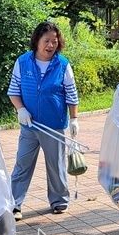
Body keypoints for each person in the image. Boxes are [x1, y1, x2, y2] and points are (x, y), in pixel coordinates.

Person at [7, 21, 79, 222]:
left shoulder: (62, 64)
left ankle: (59, 201)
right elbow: (14, 91)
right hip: (29, 125)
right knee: (22, 163)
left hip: (53, 125)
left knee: (55, 164)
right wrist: (20, 109)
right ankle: (14, 204)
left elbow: (71, 93)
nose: (50, 45)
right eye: (46, 41)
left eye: (54, 41)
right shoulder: (23, 62)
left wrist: (74, 119)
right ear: (37, 41)